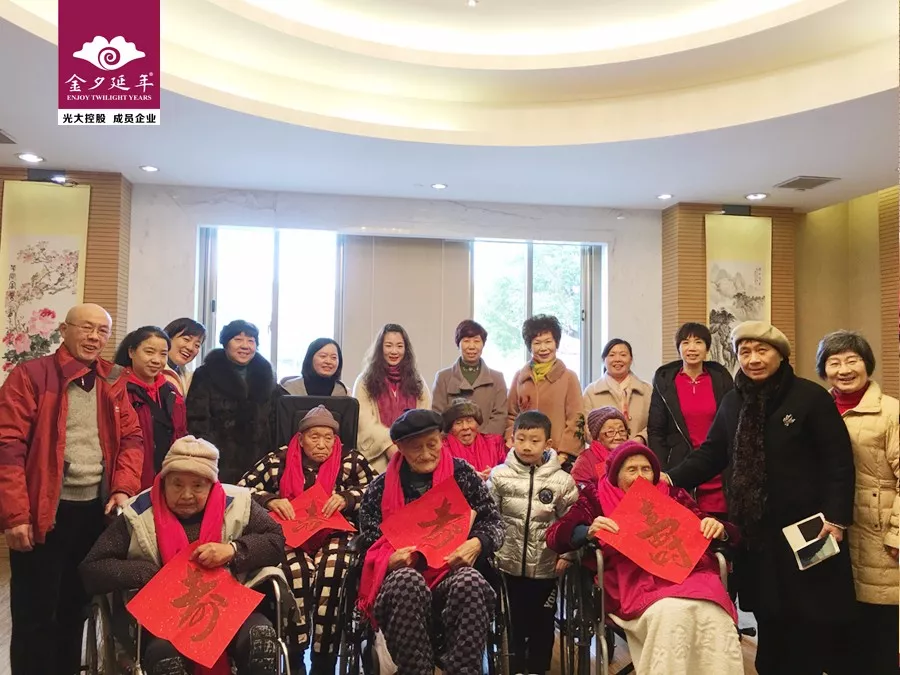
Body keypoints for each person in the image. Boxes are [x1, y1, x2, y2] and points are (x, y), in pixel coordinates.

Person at [666, 321, 857, 675]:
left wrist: (836, 517)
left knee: (810, 617)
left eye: (762, 351)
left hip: (809, 529)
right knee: (768, 616)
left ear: (781, 355)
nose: (753, 359)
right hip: (755, 533)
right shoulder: (733, 401)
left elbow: (839, 463)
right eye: (745, 352)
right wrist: (668, 477)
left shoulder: (810, 398)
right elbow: (711, 454)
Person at [0, 303, 143, 675]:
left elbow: (132, 438)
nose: (94, 337)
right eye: (86, 328)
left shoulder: (112, 380)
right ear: (64, 330)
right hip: (42, 512)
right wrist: (15, 515)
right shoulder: (31, 376)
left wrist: (123, 488)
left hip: (94, 513)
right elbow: (7, 447)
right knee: (35, 615)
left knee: (75, 610)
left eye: (102, 331)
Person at [80, 436, 285, 675]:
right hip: (163, 618)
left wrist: (232, 550)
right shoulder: (137, 513)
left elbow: (276, 541)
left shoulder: (238, 503)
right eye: (177, 485)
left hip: (226, 608)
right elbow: (91, 569)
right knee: (165, 658)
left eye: (198, 486)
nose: (187, 495)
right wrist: (146, 573)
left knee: (260, 639)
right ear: (164, 481)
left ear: (212, 485)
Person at [547, 441, 744, 675]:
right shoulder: (596, 496)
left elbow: (730, 533)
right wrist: (586, 530)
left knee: (715, 615)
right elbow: (555, 535)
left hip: (687, 575)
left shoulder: (673, 494)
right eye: (631, 470)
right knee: (670, 614)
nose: (640, 476)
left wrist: (719, 528)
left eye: (646, 469)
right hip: (631, 579)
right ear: (616, 474)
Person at [356, 409, 504, 675]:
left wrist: (477, 543)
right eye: (416, 448)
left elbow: (494, 522)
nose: (426, 454)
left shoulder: (463, 474)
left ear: (442, 440)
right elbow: (367, 542)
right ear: (400, 447)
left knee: (470, 581)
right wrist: (389, 560)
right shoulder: (379, 488)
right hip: (405, 578)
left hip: (453, 571)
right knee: (406, 581)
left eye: (432, 444)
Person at [237, 405, 375, 675]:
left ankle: (324, 658)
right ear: (300, 439)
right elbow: (242, 488)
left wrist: (348, 498)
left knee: (336, 569)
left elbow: (376, 487)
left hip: (335, 533)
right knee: (294, 571)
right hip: (292, 535)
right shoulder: (278, 460)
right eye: (314, 437)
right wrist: (270, 500)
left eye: (328, 438)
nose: (322, 444)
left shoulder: (351, 460)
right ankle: (296, 653)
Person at [816, 330, 899, 675]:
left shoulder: (890, 412)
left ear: (868, 364)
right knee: (837, 624)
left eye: (852, 360)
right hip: (831, 531)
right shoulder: (816, 408)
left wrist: (896, 534)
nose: (844, 369)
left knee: (878, 629)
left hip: (878, 536)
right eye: (834, 362)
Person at [487, 411, 578, 675]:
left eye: (535, 441)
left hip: (546, 567)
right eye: (521, 439)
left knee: (542, 624)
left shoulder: (562, 481)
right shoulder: (499, 476)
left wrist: (568, 554)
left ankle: (538, 669)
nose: (527, 446)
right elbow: (489, 517)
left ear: (548, 444)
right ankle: (515, 668)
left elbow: (571, 521)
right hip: (507, 565)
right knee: (513, 622)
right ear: (511, 439)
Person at [647, 322, 734, 518]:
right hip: (680, 469)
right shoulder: (665, 382)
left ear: (707, 348)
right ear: (678, 348)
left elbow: (732, 425)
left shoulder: (721, 380)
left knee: (720, 528)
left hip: (718, 469)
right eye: (685, 342)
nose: (692, 348)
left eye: (698, 342)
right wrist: (663, 470)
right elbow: (656, 431)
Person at [187, 319, 279, 484]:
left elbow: (274, 419)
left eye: (251, 341)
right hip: (218, 462)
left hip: (260, 464)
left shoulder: (267, 377)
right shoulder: (205, 374)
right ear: (225, 343)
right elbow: (197, 421)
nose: (245, 346)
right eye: (238, 339)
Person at [115, 326, 189, 490]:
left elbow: (181, 433)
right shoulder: (118, 391)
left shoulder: (171, 391)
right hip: (131, 482)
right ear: (131, 352)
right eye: (149, 352)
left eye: (163, 354)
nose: (157, 360)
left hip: (168, 481)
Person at [353, 324, 431, 473]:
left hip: (413, 456)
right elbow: (364, 422)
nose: (394, 351)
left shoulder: (417, 381)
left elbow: (425, 416)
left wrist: (410, 447)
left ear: (406, 349)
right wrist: (389, 445)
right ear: (380, 348)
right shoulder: (364, 381)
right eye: (388, 345)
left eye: (399, 346)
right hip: (377, 459)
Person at [506, 314, 584, 463]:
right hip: (523, 455)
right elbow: (511, 416)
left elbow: (576, 419)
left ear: (556, 343)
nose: (543, 348)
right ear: (530, 346)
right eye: (537, 343)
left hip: (558, 457)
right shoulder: (520, 377)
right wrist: (513, 443)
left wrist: (564, 454)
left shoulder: (569, 377)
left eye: (548, 342)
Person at [432, 320, 508, 436]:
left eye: (477, 341)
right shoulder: (443, 377)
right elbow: (437, 415)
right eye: (466, 341)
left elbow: (500, 416)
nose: (471, 346)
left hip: (488, 443)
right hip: (452, 442)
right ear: (458, 344)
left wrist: (481, 440)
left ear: (483, 344)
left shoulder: (497, 378)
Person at [583, 338, 652, 443]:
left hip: (639, 450)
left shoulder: (647, 390)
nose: (617, 359)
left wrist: (640, 439)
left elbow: (655, 424)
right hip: (603, 452)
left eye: (623, 355)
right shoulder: (591, 392)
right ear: (604, 360)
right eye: (612, 355)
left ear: (631, 360)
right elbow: (586, 428)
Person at [441, 398, 507, 479]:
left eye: (469, 421)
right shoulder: (442, 449)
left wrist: (495, 473)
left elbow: (510, 473)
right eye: (458, 423)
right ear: (450, 429)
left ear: (477, 423)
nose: (465, 427)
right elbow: (439, 480)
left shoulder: (494, 443)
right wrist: (468, 478)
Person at [571, 406, 629, 484]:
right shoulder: (585, 460)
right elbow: (582, 487)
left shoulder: (634, 455)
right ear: (597, 436)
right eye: (610, 432)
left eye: (622, 431)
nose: (618, 437)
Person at [280, 338, 349, 397]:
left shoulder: (341, 391)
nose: (328, 361)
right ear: (310, 358)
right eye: (323, 356)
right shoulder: (290, 388)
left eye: (334, 357)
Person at [162, 317, 206, 396]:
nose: (190, 348)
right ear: (168, 338)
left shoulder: (190, 378)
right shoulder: (152, 370)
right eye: (186, 339)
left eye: (197, 345)